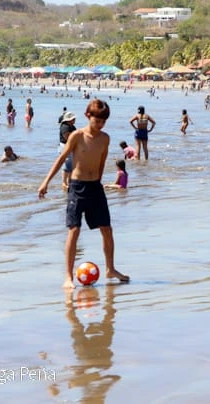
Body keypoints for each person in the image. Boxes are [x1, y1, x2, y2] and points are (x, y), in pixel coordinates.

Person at [38, 98, 130, 288]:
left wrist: (99, 181)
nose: (100, 124)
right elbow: (61, 159)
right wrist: (46, 181)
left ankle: (110, 269)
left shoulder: (105, 138)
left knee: (107, 229)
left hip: (95, 187)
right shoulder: (77, 136)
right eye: (97, 121)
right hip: (77, 187)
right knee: (74, 229)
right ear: (88, 116)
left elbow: (102, 161)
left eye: (103, 121)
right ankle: (68, 277)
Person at [59, 111, 77, 191]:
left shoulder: (72, 126)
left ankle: (69, 181)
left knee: (71, 165)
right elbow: (67, 137)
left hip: (70, 146)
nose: (74, 120)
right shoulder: (65, 127)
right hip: (65, 146)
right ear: (69, 120)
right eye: (73, 119)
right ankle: (64, 183)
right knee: (67, 165)